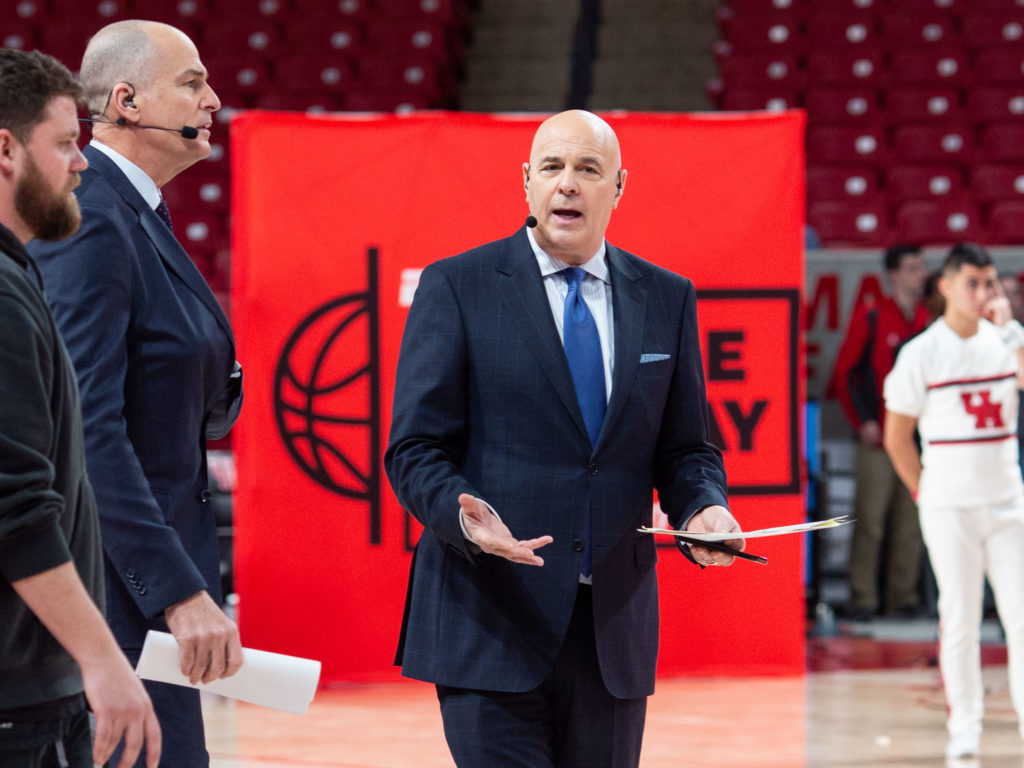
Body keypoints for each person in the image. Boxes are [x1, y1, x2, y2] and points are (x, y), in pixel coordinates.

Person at [384, 109, 742, 768]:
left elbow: (688, 448)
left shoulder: (667, 298)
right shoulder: (457, 287)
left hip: (611, 631)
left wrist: (704, 507)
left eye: (587, 169)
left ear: (619, 186)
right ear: (526, 181)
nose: (567, 185)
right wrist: (464, 517)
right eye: (551, 167)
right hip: (488, 615)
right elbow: (414, 449)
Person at [27, 20, 243, 767]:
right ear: (124, 100)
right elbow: (87, 428)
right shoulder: (95, 220)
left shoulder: (137, 213)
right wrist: (178, 594)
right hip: (122, 598)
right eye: (192, 83)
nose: (213, 99)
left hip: (145, 595)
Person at [0, 48, 160, 768]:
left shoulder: (15, 274)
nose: (82, 164)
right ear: (5, 149)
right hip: (17, 699)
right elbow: (15, 510)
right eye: (65, 143)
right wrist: (103, 661)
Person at [883, 242, 1024, 760]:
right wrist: (925, 493)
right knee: (960, 620)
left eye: (990, 282)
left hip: (1008, 504)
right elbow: (898, 437)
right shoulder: (921, 352)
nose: (984, 293)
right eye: (974, 283)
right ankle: (965, 730)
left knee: (1021, 616)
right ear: (946, 286)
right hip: (950, 507)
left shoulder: (1007, 342)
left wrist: (1010, 330)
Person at [830, 244, 930, 621]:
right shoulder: (871, 316)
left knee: (911, 523)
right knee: (870, 520)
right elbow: (844, 374)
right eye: (913, 268)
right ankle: (864, 597)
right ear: (894, 275)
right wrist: (862, 423)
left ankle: (901, 598)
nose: (921, 274)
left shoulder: (928, 319)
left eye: (922, 268)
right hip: (880, 439)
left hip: (918, 440)